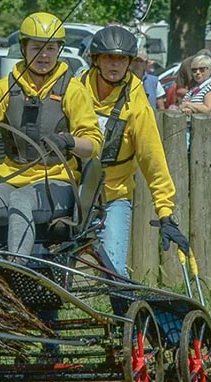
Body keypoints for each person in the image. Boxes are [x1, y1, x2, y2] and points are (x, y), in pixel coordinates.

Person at [0, 11, 102, 259]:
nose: (44, 56)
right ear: (23, 49)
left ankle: (17, 268)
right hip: (11, 178)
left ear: (59, 50)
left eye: (51, 49)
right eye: (37, 48)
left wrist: (68, 141)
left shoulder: (73, 90)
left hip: (58, 183)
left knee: (21, 200)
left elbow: (93, 144)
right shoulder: (3, 88)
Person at [77, 25, 189, 279]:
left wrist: (165, 211)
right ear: (96, 60)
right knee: (50, 265)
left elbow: (152, 159)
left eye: (122, 59)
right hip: (72, 192)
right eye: (109, 57)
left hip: (113, 195)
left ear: (129, 62)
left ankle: (120, 305)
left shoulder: (137, 102)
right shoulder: (75, 88)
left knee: (114, 271)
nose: (115, 64)